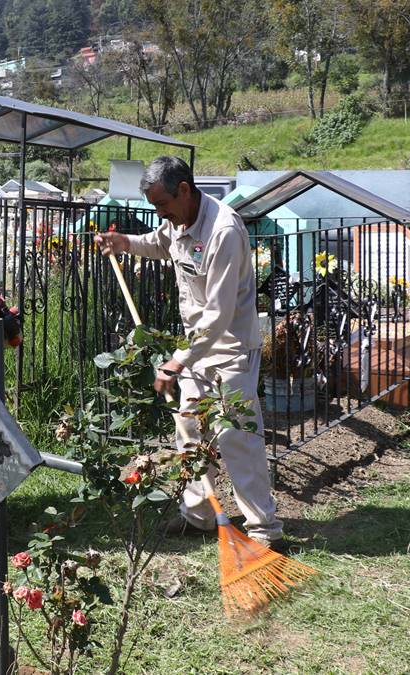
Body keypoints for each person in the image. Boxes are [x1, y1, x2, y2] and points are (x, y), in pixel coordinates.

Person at [94, 156, 285, 551]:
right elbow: (161, 244)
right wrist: (124, 242)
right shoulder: (177, 221)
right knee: (190, 430)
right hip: (198, 350)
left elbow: (218, 314)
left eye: (162, 204)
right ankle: (197, 516)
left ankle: (265, 531)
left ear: (185, 189)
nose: (159, 213)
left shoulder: (224, 232)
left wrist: (178, 360)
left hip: (229, 348)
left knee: (236, 437)